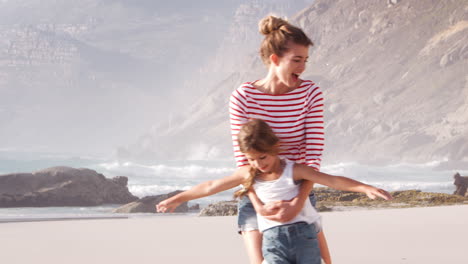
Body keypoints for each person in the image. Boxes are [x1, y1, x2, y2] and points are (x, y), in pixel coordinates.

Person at [156, 119, 393, 264]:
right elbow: (210, 186)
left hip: (305, 239)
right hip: (273, 242)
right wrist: (178, 198)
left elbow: (330, 179)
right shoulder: (248, 173)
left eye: (263, 157)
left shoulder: (294, 170)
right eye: (252, 159)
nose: (259, 164)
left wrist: (364, 187)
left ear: (275, 148)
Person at [229, 15, 329, 264]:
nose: (302, 67)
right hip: (256, 192)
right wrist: (259, 204)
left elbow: (313, 153)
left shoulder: (310, 93)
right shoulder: (243, 97)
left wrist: (298, 201)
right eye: (296, 60)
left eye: (305, 60)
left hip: (299, 188)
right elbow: (244, 160)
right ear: (275, 59)